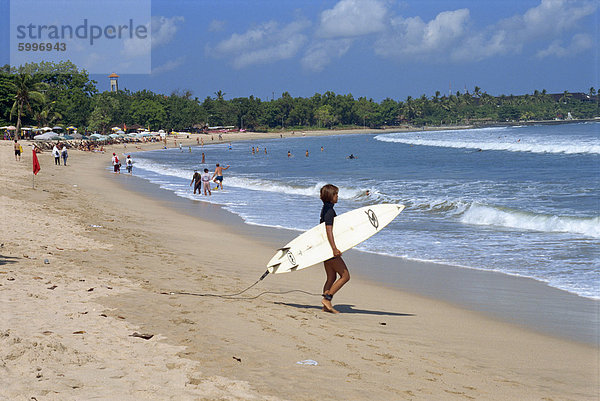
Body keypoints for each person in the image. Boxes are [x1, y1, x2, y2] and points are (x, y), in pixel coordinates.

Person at [319, 184, 350, 313]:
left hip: (324, 248)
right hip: (329, 249)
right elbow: (328, 230)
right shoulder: (329, 211)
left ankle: (326, 306)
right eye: (336, 194)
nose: (338, 196)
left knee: (331, 278)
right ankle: (327, 298)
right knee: (345, 276)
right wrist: (334, 249)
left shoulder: (325, 208)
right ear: (331, 196)